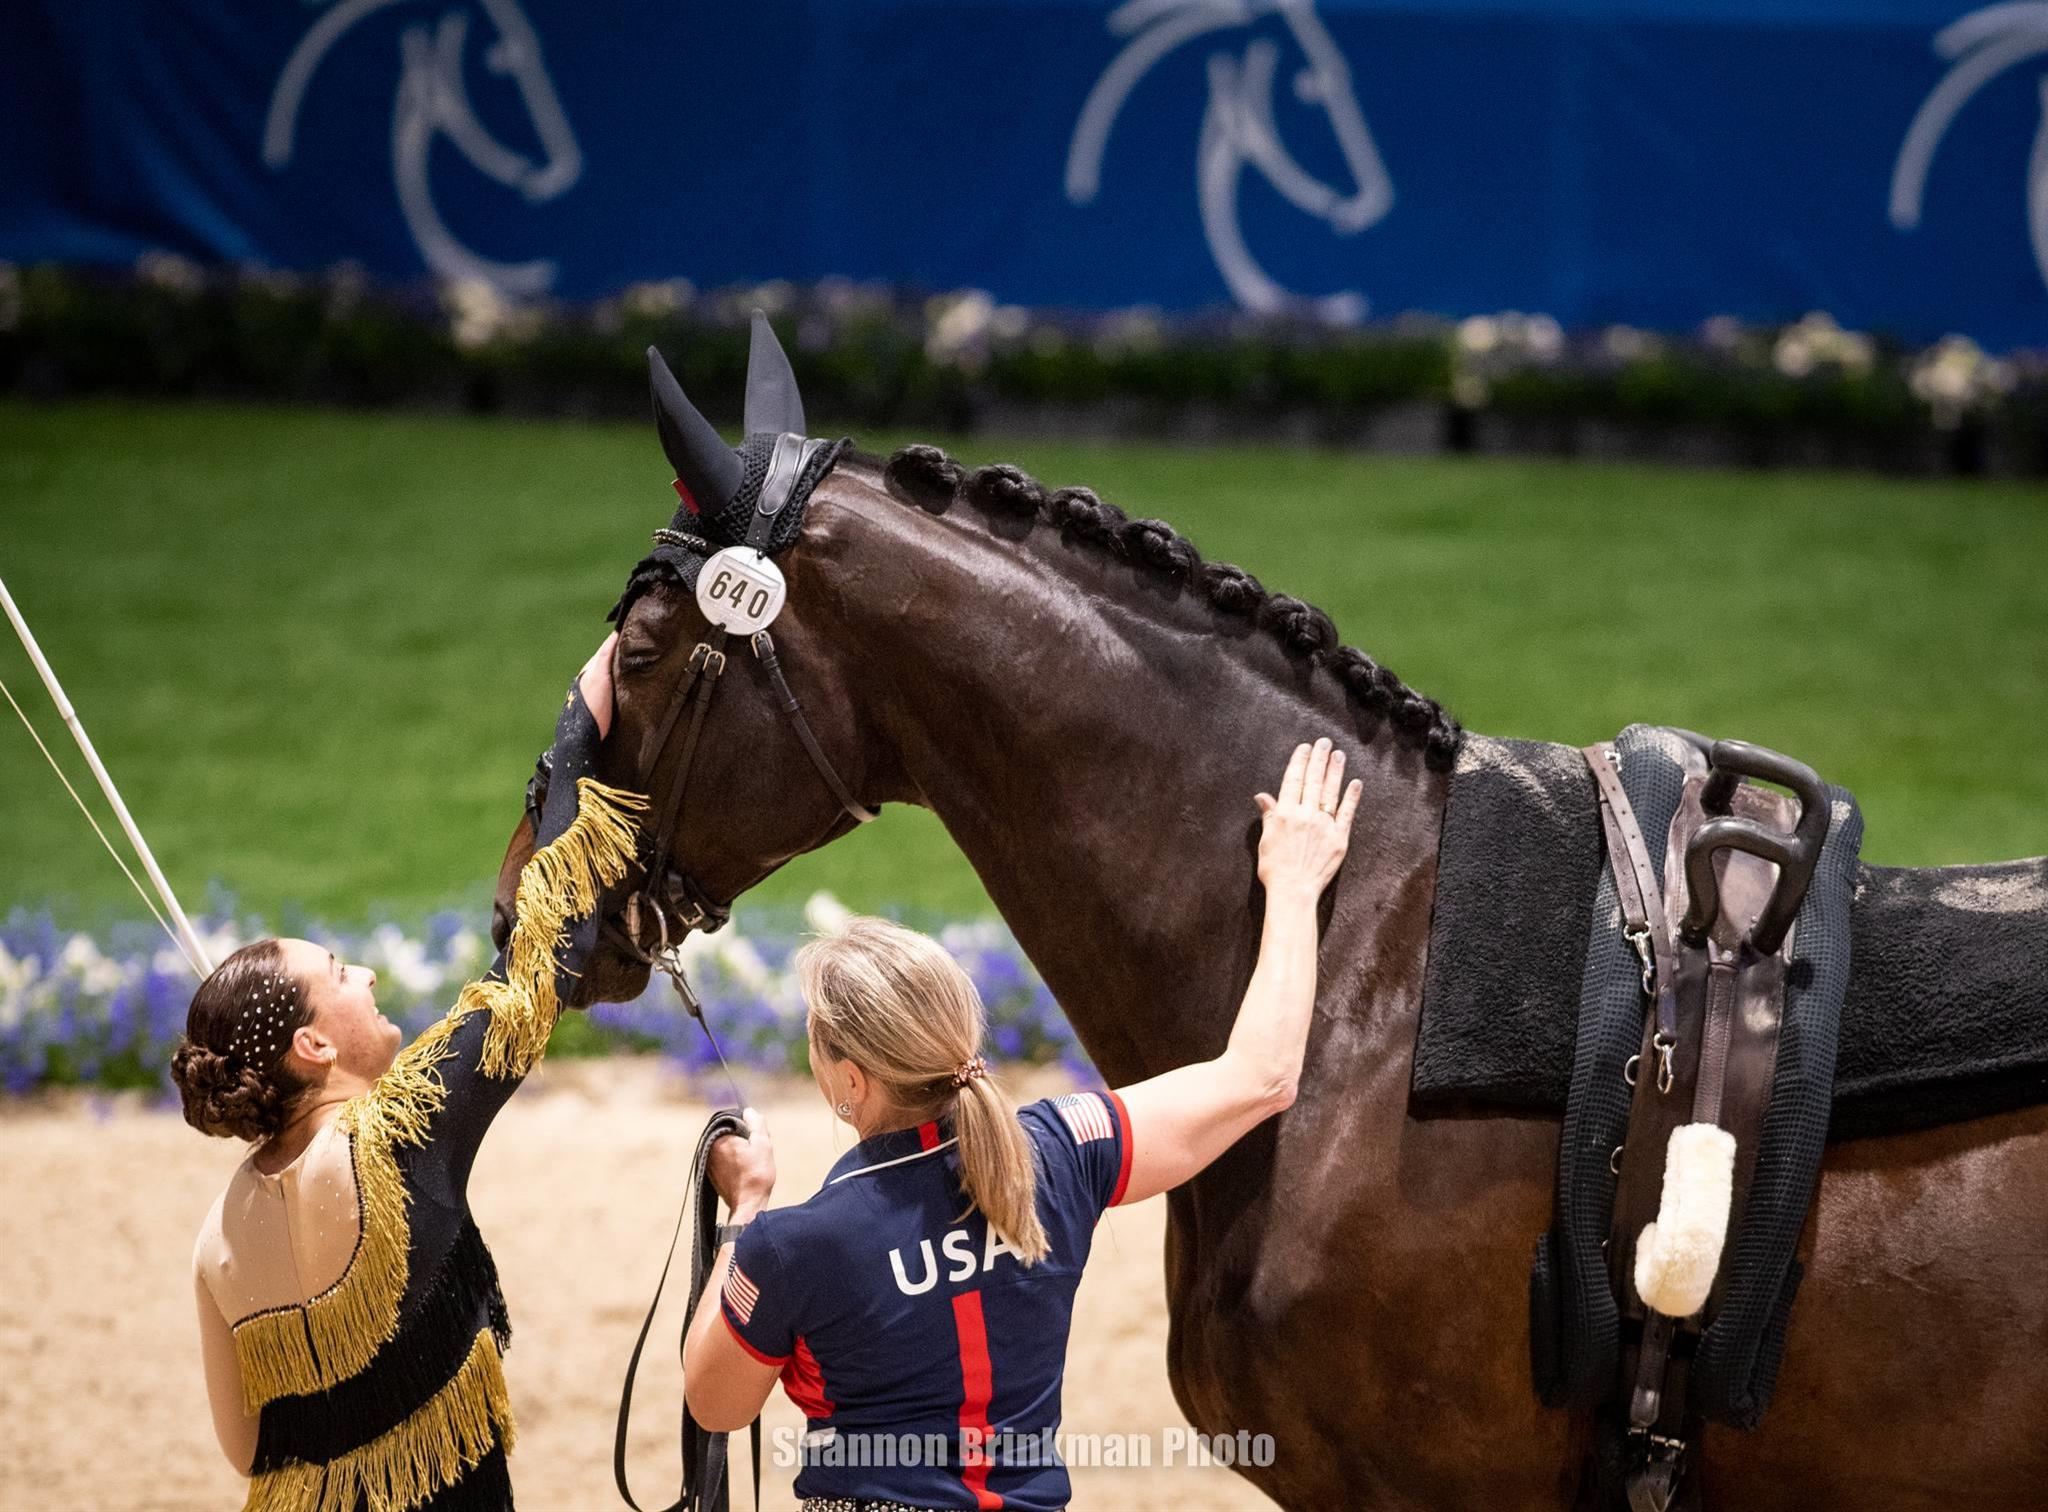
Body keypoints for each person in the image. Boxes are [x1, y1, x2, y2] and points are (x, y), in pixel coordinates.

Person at [679, 737, 1363, 1512]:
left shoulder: (793, 1244)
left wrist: (745, 1209)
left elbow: (716, 1406)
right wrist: (1296, 884)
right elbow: (1262, 1075)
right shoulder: (1064, 1150)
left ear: (849, 1080)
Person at [175, 636, 628, 1512]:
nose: (369, 976)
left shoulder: (214, 1243)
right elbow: (548, 958)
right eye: (340, 973)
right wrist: (579, 730)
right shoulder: (397, 1134)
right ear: (312, 1048)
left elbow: (247, 1450)